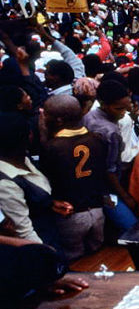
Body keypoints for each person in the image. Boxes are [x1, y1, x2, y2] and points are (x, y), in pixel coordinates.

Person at [40, 95, 108, 261]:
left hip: (71, 215)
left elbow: (45, 180)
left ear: (59, 120)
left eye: (46, 114)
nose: (42, 116)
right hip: (98, 211)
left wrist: (43, 136)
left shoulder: (52, 147)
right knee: (98, 257)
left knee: (76, 262)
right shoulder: (98, 139)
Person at [0, 112, 64, 250]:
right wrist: (48, 255)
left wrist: (50, 203)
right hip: (38, 244)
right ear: (29, 136)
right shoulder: (5, 183)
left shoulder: (23, 159)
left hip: (50, 232)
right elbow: (24, 231)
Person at [83, 79, 138, 231]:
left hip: (91, 180)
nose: (123, 113)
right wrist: (125, 197)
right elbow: (110, 170)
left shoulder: (89, 116)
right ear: (103, 103)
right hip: (106, 187)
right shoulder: (110, 132)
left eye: (126, 109)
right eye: (118, 109)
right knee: (132, 228)